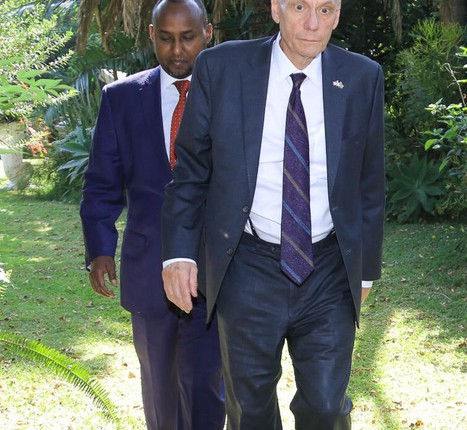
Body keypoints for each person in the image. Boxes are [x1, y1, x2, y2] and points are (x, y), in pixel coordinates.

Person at [160, 0, 385, 428]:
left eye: (326, 9)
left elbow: (370, 184)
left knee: (325, 405)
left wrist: (366, 273)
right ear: (276, 9)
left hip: (329, 269)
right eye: (300, 6)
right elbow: (190, 172)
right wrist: (179, 254)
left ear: (338, 15)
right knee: (250, 407)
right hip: (246, 264)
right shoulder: (222, 68)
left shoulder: (361, 77)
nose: (313, 23)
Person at [79, 1, 225, 429]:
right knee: (159, 387)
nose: (177, 50)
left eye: (188, 37)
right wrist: (100, 247)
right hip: (147, 270)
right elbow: (102, 182)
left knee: (207, 385)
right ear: (151, 35)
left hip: (214, 270)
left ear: (208, 33)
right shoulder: (121, 99)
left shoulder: (231, 96)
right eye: (166, 38)